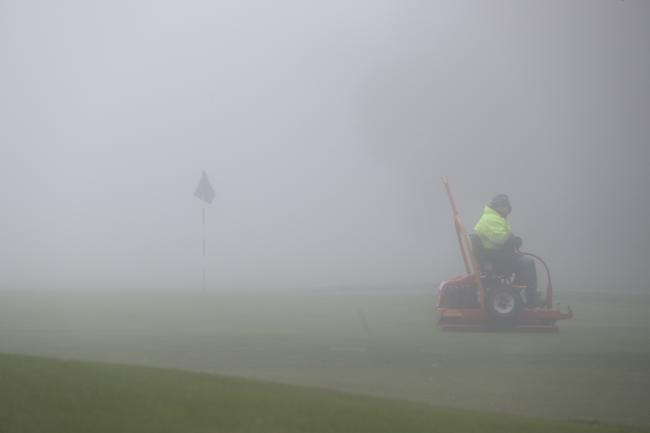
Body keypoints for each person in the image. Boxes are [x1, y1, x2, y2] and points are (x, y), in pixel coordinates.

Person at [474, 194, 542, 308]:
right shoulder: (490, 219)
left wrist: (513, 240)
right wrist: (513, 240)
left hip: (497, 257)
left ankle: (515, 292)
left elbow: (503, 236)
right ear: (495, 207)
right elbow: (501, 238)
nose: (505, 209)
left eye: (506, 206)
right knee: (527, 263)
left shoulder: (494, 218)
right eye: (502, 206)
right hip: (495, 260)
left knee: (523, 262)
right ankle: (531, 298)